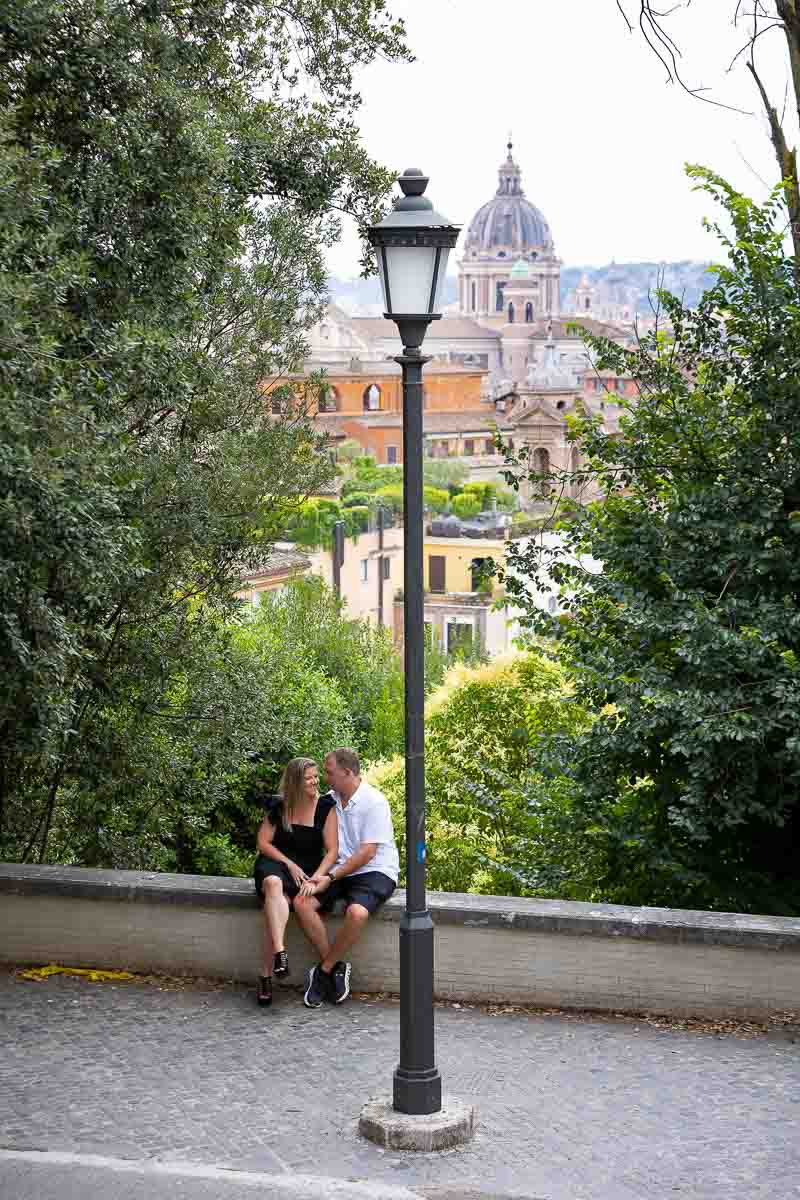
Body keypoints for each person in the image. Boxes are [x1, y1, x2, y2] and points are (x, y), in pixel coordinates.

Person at [293, 747, 399, 1009]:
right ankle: (335, 967)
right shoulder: (330, 800)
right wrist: (316, 876)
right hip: (339, 870)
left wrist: (329, 877)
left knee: (357, 913)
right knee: (301, 902)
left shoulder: (374, 802)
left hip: (374, 870)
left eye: (329, 773)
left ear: (347, 772)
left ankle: (322, 972)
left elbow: (367, 852)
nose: (325, 778)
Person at [253, 757, 338, 1008]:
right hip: (277, 863)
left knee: (274, 909)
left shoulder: (325, 807)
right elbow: (263, 843)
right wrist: (288, 863)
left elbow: (332, 851)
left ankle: (266, 974)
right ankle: (280, 952)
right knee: (272, 885)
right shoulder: (280, 806)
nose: (315, 781)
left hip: (308, 870)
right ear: (294, 782)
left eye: (315, 776)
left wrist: (316, 878)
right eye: (308, 778)